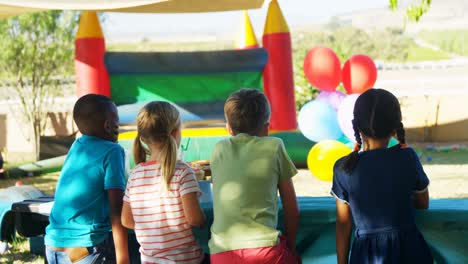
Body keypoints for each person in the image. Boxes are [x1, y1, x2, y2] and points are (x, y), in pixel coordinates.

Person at [332, 89, 433, 264]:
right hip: (410, 251)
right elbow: (423, 203)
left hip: (366, 255)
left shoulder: (343, 167)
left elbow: (343, 223)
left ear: (356, 126)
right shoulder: (407, 157)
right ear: (395, 129)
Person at [209, 88, 300, 263]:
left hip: (221, 253)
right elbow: (292, 208)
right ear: (267, 128)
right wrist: (291, 246)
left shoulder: (218, 149)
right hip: (265, 251)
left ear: (228, 128)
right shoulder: (274, 146)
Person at [45, 94, 129, 264]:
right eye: (117, 121)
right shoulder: (112, 151)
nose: (118, 125)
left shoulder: (77, 146)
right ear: (108, 126)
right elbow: (116, 210)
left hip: (52, 247)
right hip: (84, 251)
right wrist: (123, 258)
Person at [121, 101, 206, 264]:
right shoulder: (183, 171)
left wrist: (154, 232)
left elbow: (126, 220)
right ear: (175, 133)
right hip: (186, 260)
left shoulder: (135, 174)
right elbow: (195, 219)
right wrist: (203, 221)